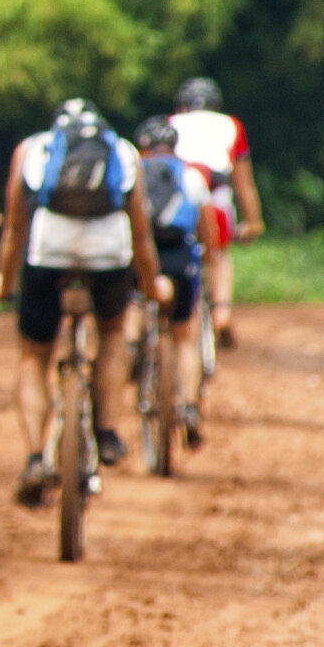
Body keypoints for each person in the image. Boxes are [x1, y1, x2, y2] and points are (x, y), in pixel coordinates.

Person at [0, 99, 166, 509]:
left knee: (34, 357)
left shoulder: (32, 148)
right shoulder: (123, 149)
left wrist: (2, 277)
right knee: (111, 333)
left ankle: (35, 456)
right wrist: (151, 279)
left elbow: (16, 224)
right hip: (108, 255)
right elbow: (140, 229)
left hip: (47, 253)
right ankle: (106, 432)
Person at [134, 114, 210, 452]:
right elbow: (206, 228)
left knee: (130, 313)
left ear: (143, 146)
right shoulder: (191, 175)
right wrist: (208, 257)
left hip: (143, 254)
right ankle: (190, 406)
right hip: (180, 256)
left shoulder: (133, 172)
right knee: (185, 336)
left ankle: (132, 349)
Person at [167, 78, 262, 345]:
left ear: (181, 106)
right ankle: (222, 311)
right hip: (217, 201)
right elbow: (244, 184)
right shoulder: (231, 125)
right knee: (219, 255)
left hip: (180, 202)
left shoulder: (170, 124)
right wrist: (253, 222)